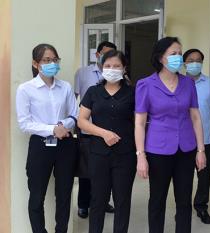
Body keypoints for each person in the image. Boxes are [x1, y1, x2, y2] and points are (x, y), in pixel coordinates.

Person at [135, 37, 206, 233]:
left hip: (186, 148)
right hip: (158, 150)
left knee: (184, 200)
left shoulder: (188, 83)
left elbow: (196, 117)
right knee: (157, 199)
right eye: (173, 53)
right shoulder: (146, 84)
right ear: (160, 58)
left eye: (179, 54)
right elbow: (139, 123)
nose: (178, 57)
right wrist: (140, 156)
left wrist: (201, 150)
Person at [16, 43, 78, 233]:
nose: (52, 63)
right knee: (37, 195)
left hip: (65, 146)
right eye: (46, 60)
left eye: (54, 60)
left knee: (64, 194)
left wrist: (62, 127)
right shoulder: (26, 89)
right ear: (36, 64)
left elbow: (74, 115)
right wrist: (53, 129)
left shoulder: (65, 87)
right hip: (40, 146)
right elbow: (24, 123)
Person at [78, 50, 135, 233]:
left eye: (117, 66)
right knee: (98, 200)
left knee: (122, 200)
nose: (112, 69)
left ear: (124, 68)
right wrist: (103, 133)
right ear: (102, 68)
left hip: (125, 155)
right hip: (98, 154)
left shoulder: (133, 93)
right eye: (108, 66)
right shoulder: (93, 92)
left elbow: (140, 122)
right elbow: (82, 121)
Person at [74, 41, 117, 218]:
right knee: (87, 170)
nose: (108, 59)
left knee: (107, 171)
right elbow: (74, 98)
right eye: (105, 55)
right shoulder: (82, 73)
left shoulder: (117, 74)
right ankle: (84, 204)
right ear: (97, 55)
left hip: (110, 133)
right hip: (88, 129)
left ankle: (102, 201)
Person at [183, 48, 210, 224]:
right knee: (183, 176)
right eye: (190, 60)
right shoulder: (178, 82)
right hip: (182, 140)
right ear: (184, 63)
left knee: (203, 176)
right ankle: (182, 207)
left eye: (198, 60)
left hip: (204, 140)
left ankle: (201, 207)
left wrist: (203, 122)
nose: (194, 63)